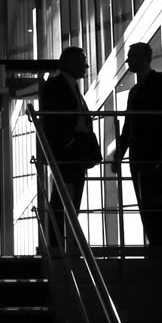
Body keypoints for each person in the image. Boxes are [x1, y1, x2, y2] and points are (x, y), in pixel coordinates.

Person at [110, 42, 162, 258]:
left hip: (153, 151)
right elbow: (129, 126)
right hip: (141, 154)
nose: (128, 61)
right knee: (146, 202)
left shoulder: (160, 81)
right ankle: (157, 245)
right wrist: (120, 153)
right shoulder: (136, 91)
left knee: (160, 201)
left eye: (131, 57)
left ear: (143, 58)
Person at [39, 46, 93, 253]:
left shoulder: (72, 87)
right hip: (67, 150)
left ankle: (63, 242)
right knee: (63, 196)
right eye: (83, 61)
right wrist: (68, 141)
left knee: (71, 195)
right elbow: (52, 118)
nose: (86, 66)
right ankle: (56, 244)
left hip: (74, 150)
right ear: (70, 63)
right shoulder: (55, 85)